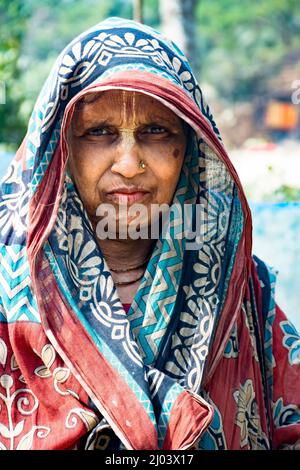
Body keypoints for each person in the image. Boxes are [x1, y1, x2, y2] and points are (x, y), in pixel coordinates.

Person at [0, 17, 299, 451]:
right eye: (99, 132)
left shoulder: (244, 292)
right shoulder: (10, 300)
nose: (128, 163)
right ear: (62, 148)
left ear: (190, 148)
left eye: (155, 131)